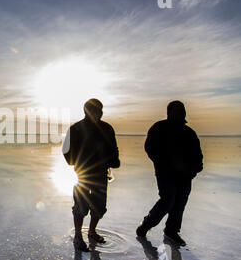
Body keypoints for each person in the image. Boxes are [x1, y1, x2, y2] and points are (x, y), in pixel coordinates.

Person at [136, 101, 203, 246]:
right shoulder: (159, 127)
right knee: (167, 200)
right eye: (177, 110)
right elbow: (150, 148)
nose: (181, 113)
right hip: (165, 173)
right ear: (169, 112)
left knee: (180, 203)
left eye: (183, 110)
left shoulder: (189, 133)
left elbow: (197, 155)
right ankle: (146, 225)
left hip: (185, 176)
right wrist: (163, 164)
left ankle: (172, 231)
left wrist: (196, 168)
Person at [63, 98, 120, 251]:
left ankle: (92, 231)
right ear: (86, 111)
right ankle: (78, 236)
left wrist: (115, 160)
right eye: (96, 110)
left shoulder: (107, 128)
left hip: (101, 174)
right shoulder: (75, 129)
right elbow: (66, 150)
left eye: (101, 110)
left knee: (99, 207)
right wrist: (74, 162)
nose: (99, 113)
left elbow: (114, 148)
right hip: (82, 174)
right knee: (80, 207)